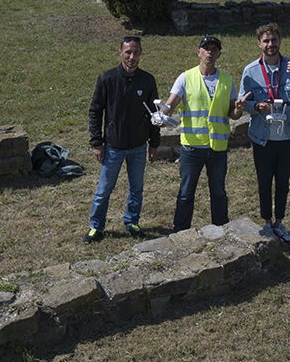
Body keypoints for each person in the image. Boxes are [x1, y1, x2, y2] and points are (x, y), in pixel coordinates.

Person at [162, 35, 248, 233]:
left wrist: (239, 109)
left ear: (219, 54)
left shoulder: (227, 80)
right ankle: (181, 232)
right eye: (206, 48)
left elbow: (232, 115)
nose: (210, 52)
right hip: (192, 148)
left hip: (217, 149)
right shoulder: (186, 77)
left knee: (219, 192)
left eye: (214, 49)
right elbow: (171, 104)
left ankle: (221, 230)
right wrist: (162, 114)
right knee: (185, 193)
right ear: (198, 52)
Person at [85, 36, 161, 243]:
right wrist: (97, 142)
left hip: (137, 147)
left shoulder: (147, 80)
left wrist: (153, 145)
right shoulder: (107, 79)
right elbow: (95, 111)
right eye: (128, 52)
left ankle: (132, 221)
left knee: (136, 189)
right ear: (120, 53)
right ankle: (96, 226)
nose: (132, 56)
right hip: (113, 147)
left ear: (141, 53)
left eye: (136, 52)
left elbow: (154, 115)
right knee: (104, 190)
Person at [240, 23, 290, 244]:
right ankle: (266, 221)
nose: (270, 44)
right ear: (259, 43)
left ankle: (279, 222)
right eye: (266, 41)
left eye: (274, 40)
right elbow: (244, 103)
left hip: (287, 136)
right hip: (262, 137)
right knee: (264, 182)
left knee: (283, 182)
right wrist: (255, 107)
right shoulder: (251, 71)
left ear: (280, 41)